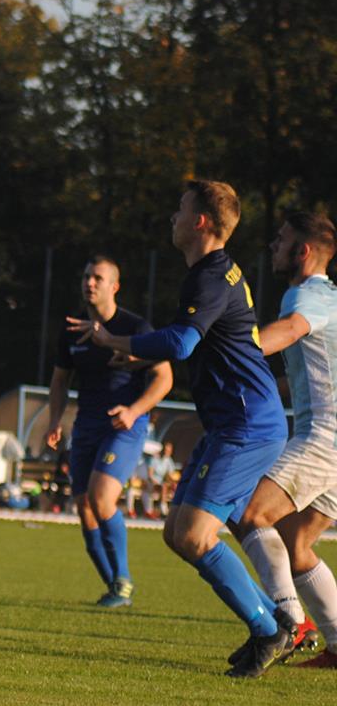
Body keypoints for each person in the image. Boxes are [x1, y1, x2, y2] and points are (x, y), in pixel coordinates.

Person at [69, 180, 289, 678]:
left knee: (193, 534)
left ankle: (267, 630)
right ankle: (274, 620)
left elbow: (183, 342)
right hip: (236, 421)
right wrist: (137, 346)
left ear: (200, 222)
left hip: (246, 423)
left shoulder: (210, 277)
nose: (173, 216)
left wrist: (113, 338)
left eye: (180, 208)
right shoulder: (216, 271)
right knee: (177, 532)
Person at [233, 212, 337, 667]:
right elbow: (305, 377)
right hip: (331, 442)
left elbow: (291, 330)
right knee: (296, 545)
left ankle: (288, 623)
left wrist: (234, 346)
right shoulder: (325, 298)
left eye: (281, 240)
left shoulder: (308, 294)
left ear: (304, 252)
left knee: (250, 512)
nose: (273, 246)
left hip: (325, 441)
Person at [47, 255, 169, 608]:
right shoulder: (72, 328)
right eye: (86, 276)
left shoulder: (135, 328)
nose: (90, 283)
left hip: (124, 426)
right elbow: (59, 380)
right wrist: (55, 421)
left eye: (98, 278)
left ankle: (124, 580)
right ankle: (115, 586)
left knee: (101, 499)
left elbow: (165, 378)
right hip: (87, 424)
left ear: (114, 286)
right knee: (83, 507)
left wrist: (133, 410)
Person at [143, 440, 178, 520]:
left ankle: (173, 511)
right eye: (166, 450)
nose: (167, 452)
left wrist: (174, 483)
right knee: (164, 486)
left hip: (162, 484)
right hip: (152, 482)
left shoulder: (168, 460)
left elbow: (170, 475)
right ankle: (163, 509)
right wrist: (156, 482)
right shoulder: (154, 459)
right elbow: (150, 475)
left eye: (169, 451)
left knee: (171, 487)